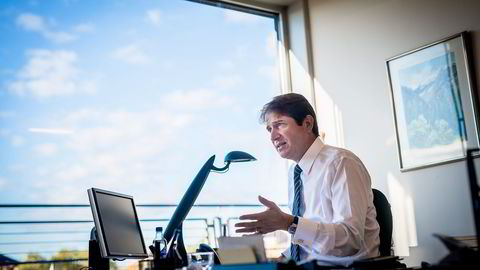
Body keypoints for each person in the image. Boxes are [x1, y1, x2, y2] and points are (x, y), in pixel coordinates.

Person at [235, 93, 380, 266]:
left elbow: (349, 240)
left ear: (307, 123)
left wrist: (289, 223)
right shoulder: (295, 173)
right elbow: (309, 243)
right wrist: (278, 259)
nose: (273, 137)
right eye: (269, 129)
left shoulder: (342, 163)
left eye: (279, 125)